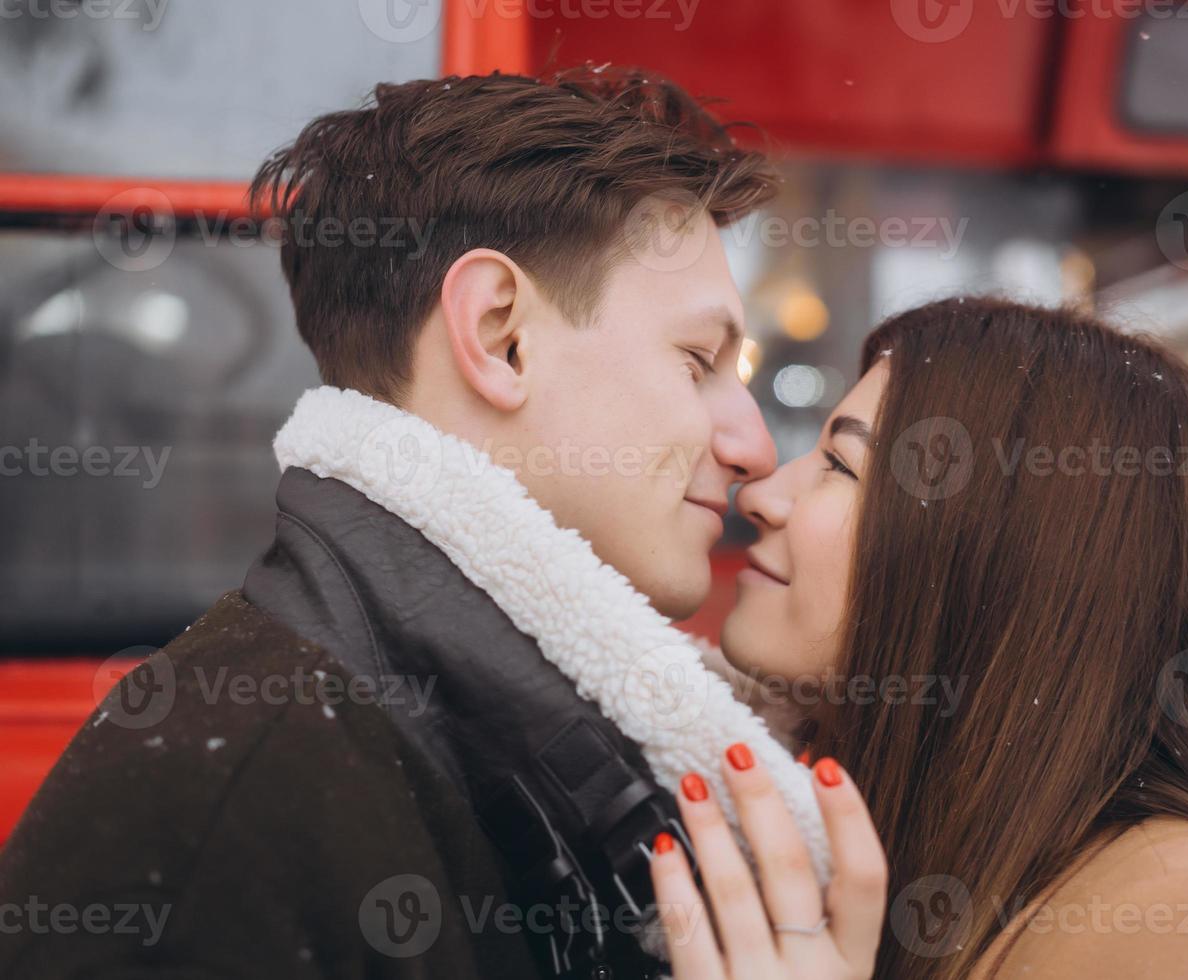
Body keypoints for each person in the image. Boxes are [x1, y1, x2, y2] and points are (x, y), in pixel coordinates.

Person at [0, 66, 884, 979]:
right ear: (500, 334)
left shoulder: (379, 748)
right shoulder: (218, 825)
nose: (750, 451)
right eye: (699, 360)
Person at [718, 296, 1188, 979]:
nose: (762, 495)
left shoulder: (1185, 924)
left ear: (1006, 558)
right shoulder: (978, 850)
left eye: (839, 466)